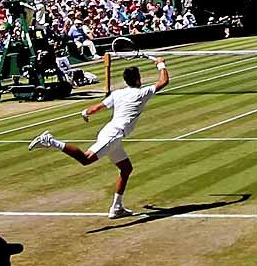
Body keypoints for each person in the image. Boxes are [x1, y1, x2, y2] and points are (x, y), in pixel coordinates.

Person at [28, 56, 169, 218]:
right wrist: (160, 64)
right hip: (113, 135)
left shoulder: (118, 94)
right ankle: (50, 141)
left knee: (126, 168)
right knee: (86, 159)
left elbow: (98, 107)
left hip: (110, 132)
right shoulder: (142, 93)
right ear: (138, 80)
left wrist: (85, 112)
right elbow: (163, 81)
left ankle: (117, 207)